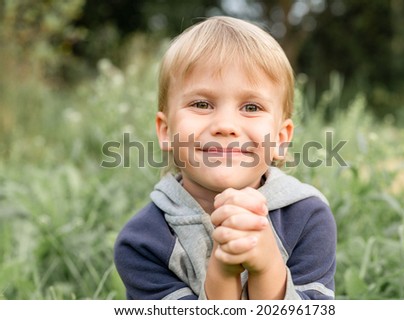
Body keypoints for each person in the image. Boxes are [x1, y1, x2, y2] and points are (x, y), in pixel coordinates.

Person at [114, 16, 336, 300]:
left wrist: (268, 268)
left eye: (252, 107)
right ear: (166, 131)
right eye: (202, 104)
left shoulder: (307, 216)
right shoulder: (143, 240)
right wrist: (223, 270)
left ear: (281, 139)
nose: (225, 125)